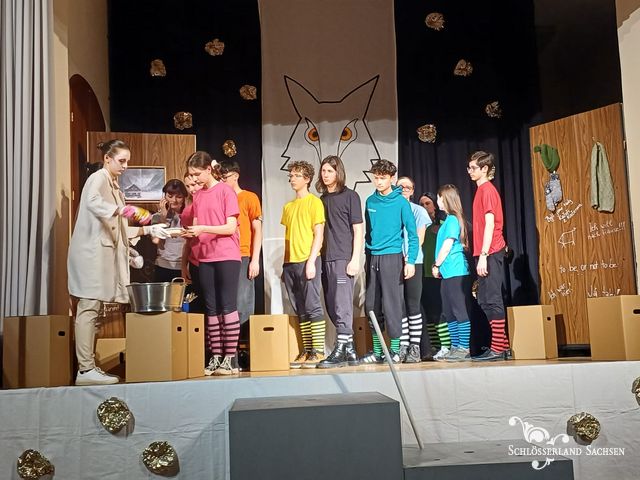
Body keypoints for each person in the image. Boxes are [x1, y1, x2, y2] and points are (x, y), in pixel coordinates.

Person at [68, 139, 170, 386]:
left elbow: (120, 228)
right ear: (107, 158)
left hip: (102, 256)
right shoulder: (98, 178)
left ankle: (89, 365)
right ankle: (85, 369)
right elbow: (94, 203)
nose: (125, 166)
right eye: (121, 161)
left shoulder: (115, 187)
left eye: (127, 161)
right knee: (88, 307)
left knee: (95, 309)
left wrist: (147, 230)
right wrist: (125, 210)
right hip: (90, 254)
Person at [183, 151, 241, 376]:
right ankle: (216, 356)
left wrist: (203, 229)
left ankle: (230, 358)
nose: (194, 178)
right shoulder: (198, 196)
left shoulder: (226, 191)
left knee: (227, 305)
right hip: (205, 257)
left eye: (197, 174)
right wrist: (188, 233)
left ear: (208, 170)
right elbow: (197, 225)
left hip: (226, 255)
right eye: (191, 175)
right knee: (211, 308)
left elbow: (230, 227)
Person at [361, 159, 418, 364]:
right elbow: (368, 232)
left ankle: (394, 350)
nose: (378, 182)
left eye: (383, 178)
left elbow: (412, 234)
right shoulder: (370, 201)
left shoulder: (401, 202)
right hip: (372, 257)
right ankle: (378, 351)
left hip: (392, 257)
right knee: (371, 305)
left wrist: (410, 261)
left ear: (392, 178)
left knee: (392, 305)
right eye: (376, 178)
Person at [314, 155, 363, 369]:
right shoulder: (321, 200)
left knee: (342, 303)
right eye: (323, 171)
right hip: (326, 257)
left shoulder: (351, 196)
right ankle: (349, 348)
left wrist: (355, 259)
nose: (325, 175)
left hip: (343, 257)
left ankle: (340, 347)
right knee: (331, 304)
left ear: (338, 172)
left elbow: (358, 230)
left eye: (330, 171)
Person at [281, 161, 326, 369]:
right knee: (300, 307)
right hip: (290, 263)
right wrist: (285, 265)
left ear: (307, 179)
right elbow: (288, 236)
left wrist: (311, 261)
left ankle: (318, 350)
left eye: (297, 175)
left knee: (312, 305)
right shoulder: (288, 207)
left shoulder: (314, 202)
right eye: (291, 175)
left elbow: (319, 234)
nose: (292, 179)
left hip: (307, 259)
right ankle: (307, 350)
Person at [467, 151, 511, 361]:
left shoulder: (487, 190)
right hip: (484, 251)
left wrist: (484, 254)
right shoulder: (480, 191)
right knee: (484, 299)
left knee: (492, 299)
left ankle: (499, 348)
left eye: (473, 168)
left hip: (491, 251)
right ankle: (501, 345)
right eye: (469, 167)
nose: (470, 171)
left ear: (484, 169)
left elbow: (491, 224)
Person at [219, 160, 263, 328]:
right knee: (225, 301)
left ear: (235, 176)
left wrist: (255, 260)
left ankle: (239, 339)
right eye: (220, 178)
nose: (222, 181)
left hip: (243, 254)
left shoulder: (249, 197)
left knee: (243, 302)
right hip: (223, 255)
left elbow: (257, 229)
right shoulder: (220, 199)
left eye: (225, 177)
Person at [431, 185, 472, 362]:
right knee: (449, 311)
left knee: (459, 309)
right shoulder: (447, 220)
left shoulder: (453, 220)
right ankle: (455, 346)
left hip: (456, 271)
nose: (437, 201)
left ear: (445, 199)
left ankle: (464, 347)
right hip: (447, 273)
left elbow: (447, 245)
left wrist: (436, 264)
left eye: (439, 198)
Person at [396, 176, 431, 363]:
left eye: (407, 187)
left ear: (412, 191)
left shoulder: (418, 210)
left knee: (413, 304)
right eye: (400, 186)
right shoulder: (392, 210)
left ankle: (415, 347)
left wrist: (409, 259)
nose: (403, 189)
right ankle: (403, 345)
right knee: (399, 305)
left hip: (412, 261)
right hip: (394, 262)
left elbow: (419, 238)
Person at [419, 192, 450, 360]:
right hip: (421, 273)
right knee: (428, 312)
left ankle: (446, 345)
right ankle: (435, 345)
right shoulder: (419, 225)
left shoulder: (443, 224)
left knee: (439, 310)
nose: (424, 207)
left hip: (436, 273)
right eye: (422, 204)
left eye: (428, 203)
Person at [152, 179, 188, 282]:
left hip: (184, 266)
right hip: (163, 264)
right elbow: (155, 240)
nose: (174, 200)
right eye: (170, 196)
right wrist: (163, 218)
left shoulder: (189, 215)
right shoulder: (157, 217)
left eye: (179, 197)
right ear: (164, 197)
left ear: (184, 198)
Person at [180, 173, 204, 313]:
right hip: (196, 262)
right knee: (198, 304)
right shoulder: (187, 212)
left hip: (216, 260)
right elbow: (188, 243)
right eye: (188, 186)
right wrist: (184, 266)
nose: (192, 189)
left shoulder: (216, 203)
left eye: (194, 184)